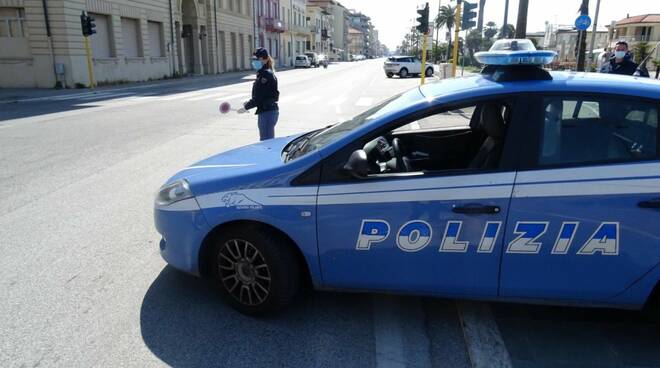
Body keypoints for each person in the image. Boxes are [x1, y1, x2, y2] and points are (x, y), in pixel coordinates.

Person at [238, 48, 280, 141]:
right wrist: (248, 104)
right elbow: (261, 95)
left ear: (264, 60)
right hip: (268, 111)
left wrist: (245, 107)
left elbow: (258, 98)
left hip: (267, 113)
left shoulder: (265, 76)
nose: (253, 62)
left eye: (256, 59)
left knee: (267, 143)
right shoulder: (265, 73)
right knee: (267, 141)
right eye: (252, 59)